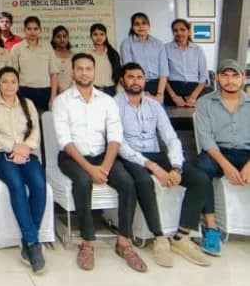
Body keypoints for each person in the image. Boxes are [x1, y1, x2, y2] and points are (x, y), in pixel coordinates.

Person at [53, 53, 146, 272]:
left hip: (103, 156)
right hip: (72, 157)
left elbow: (115, 137)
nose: (84, 73)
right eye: (80, 69)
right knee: (83, 181)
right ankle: (87, 242)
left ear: (94, 72)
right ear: (72, 72)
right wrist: (90, 169)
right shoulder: (62, 101)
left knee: (127, 183)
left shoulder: (107, 101)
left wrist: (104, 168)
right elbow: (65, 141)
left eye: (88, 69)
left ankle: (124, 242)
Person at [116, 62, 212, 267]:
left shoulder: (154, 105)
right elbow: (119, 144)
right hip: (129, 157)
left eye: (139, 77)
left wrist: (176, 167)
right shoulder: (113, 105)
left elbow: (171, 137)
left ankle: (181, 237)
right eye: (130, 77)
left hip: (155, 153)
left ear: (144, 80)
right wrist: (154, 167)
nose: (135, 81)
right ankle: (159, 238)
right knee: (144, 181)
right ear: (122, 80)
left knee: (200, 179)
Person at [0, 66, 46, 273]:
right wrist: (13, 147)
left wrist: (24, 148)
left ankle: (28, 240)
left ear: (18, 84)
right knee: (17, 185)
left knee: (39, 185)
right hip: (1, 154)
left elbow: (35, 131)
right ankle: (33, 243)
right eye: (5, 81)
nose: (9, 85)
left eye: (13, 81)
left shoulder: (27, 104)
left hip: (27, 152)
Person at [193, 59, 250, 257]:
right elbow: (206, 139)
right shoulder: (205, 103)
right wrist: (226, 166)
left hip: (247, 154)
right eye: (225, 75)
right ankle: (211, 228)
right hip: (218, 152)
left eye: (235, 76)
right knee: (200, 170)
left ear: (243, 78)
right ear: (217, 78)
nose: (230, 80)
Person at [10, 16, 58, 112]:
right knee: (25, 120)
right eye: (29, 29)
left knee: (43, 120)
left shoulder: (47, 47)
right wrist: (15, 94)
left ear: (40, 30)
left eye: (35, 29)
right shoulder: (17, 48)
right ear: (24, 30)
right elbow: (13, 75)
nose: (32, 32)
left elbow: (54, 73)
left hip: (44, 91)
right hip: (24, 90)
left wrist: (53, 97)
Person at [120, 12, 168, 100]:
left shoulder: (158, 44)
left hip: (157, 86)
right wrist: (141, 93)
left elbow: (163, 71)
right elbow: (129, 70)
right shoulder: (127, 43)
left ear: (148, 26)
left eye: (144, 23)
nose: (141, 26)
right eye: (137, 24)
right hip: (136, 84)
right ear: (132, 27)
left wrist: (160, 94)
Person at [164, 19, 209, 107]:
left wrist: (193, 97)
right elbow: (163, 75)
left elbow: (203, 75)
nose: (179, 33)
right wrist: (174, 97)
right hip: (172, 90)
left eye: (182, 30)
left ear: (189, 31)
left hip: (194, 90)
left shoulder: (197, 50)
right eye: (175, 30)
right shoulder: (165, 48)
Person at [84, 23, 121, 96]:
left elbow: (118, 74)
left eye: (102, 34)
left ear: (106, 36)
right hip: (92, 89)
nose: (99, 37)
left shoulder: (113, 53)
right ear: (91, 36)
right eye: (95, 34)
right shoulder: (86, 53)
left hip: (110, 90)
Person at [51, 25, 73, 93]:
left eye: (64, 36)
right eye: (58, 37)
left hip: (71, 92)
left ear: (68, 38)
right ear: (53, 39)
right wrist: (58, 89)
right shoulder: (50, 55)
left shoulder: (74, 56)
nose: (62, 39)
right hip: (53, 92)